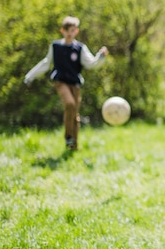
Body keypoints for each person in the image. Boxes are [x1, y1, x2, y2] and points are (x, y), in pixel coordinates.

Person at [24, 16, 108, 151]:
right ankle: (68, 136)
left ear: (76, 31)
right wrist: (30, 77)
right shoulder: (56, 46)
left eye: (73, 30)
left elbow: (91, 63)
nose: (70, 33)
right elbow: (46, 63)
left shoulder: (80, 48)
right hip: (60, 81)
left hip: (75, 83)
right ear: (62, 31)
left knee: (75, 114)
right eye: (67, 30)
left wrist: (101, 56)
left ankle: (73, 145)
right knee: (70, 104)